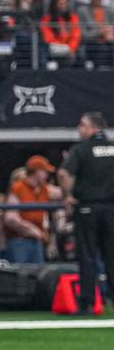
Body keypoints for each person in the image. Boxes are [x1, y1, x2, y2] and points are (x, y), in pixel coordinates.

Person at [58, 112, 114, 315]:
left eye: (82, 125)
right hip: (111, 208)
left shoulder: (81, 150)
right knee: (111, 255)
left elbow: (64, 173)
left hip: (88, 207)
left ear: (92, 127)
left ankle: (88, 303)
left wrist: (68, 196)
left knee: (88, 255)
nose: (79, 129)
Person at [3, 156, 60, 264]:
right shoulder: (18, 188)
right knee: (21, 275)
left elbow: (64, 193)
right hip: (19, 241)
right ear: (36, 172)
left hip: (37, 241)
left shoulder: (45, 189)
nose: (47, 175)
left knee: (39, 275)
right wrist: (33, 230)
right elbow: (10, 218)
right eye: (44, 171)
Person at [41, 0, 82, 66]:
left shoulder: (74, 18)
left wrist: (71, 48)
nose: (63, 4)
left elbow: (76, 36)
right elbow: (48, 37)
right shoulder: (47, 19)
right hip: (54, 49)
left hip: (70, 51)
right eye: (60, 2)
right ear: (54, 4)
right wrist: (65, 48)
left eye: (65, 2)